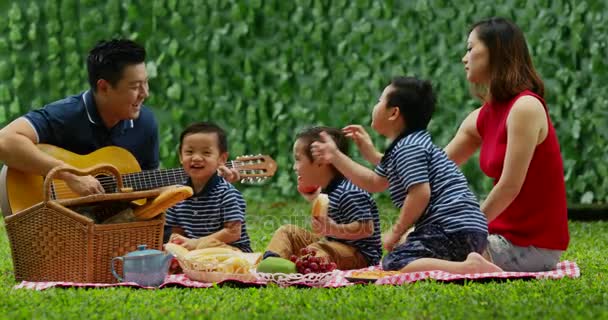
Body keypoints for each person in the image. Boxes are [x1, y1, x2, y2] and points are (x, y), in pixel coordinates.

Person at [311, 77, 502, 273]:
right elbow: (375, 182)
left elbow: (420, 194)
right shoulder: (410, 145)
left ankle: (469, 268)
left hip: (450, 229)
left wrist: (396, 231)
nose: (375, 106)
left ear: (393, 113)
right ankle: (465, 262)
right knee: (404, 252)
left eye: (379, 100)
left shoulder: (408, 148)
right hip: (464, 229)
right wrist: (337, 156)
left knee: (395, 262)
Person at [444, 17, 569, 271]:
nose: (464, 58)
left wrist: (469, 229)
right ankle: (472, 262)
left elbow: (510, 186)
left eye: (470, 48)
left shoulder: (525, 107)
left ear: (496, 51)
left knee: (420, 253)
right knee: (412, 245)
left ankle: (475, 264)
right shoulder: (483, 116)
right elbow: (434, 169)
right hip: (498, 236)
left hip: (530, 247)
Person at [0, 39, 157, 196]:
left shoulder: (146, 123)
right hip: (50, 215)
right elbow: (4, 140)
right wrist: (69, 175)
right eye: (135, 87)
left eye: (146, 83)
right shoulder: (66, 114)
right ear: (103, 87)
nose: (145, 93)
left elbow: (149, 189)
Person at [263, 127, 382, 270]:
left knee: (318, 249)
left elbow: (366, 228)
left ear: (320, 162)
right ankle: (271, 262)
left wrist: (333, 229)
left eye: (298, 159)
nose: (295, 167)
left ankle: (300, 269)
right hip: (332, 245)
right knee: (287, 231)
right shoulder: (328, 189)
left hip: (360, 255)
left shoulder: (349, 191)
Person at [165, 122, 252, 252]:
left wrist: (198, 243)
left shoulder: (227, 193)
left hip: (231, 250)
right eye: (189, 152)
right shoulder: (177, 195)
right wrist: (176, 241)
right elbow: (177, 231)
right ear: (180, 156)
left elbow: (233, 232)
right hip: (197, 252)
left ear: (222, 159)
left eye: (206, 153)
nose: (196, 158)